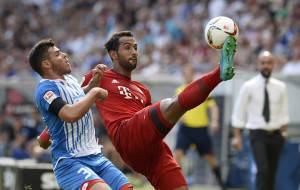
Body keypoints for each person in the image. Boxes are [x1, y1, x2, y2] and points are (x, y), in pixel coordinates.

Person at [39, 31, 237, 190]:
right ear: (113, 55)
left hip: (149, 147)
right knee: (171, 104)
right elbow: (74, 103)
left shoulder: (142, 90)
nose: (134, 51)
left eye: (135, 48)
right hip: (126, 133)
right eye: (127, 48)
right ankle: (219, 72)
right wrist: (47, 134)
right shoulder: (99, 75)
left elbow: (151, 121)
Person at [29, 39, 133, 190]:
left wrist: (92, 84)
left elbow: (76, 97)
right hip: (70, 162)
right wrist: (95, 92)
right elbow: (70, 114)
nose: (64, 55)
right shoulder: (45, 90)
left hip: (95, 156)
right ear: (46, 64)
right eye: (58, 54)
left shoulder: (69, 80)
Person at [231, 50, 289, 190]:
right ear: (258, 64)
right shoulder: (249, 86)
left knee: (271, 173)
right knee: (262, 170)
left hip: (276, 135)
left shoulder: (281, 87)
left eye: (269, 63)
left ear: (273, 64)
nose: (266, 66)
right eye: (263, 63)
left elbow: (284, 113)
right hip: (257, 134)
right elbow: (239, 112)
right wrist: (237, 137)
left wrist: (283, 133)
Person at [174, 64, 225, 189]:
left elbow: (213, 106)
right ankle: (178, 184)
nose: (186, 75)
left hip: (200, 129)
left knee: (210, 158)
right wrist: (179, 117)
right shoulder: (179, 90)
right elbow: (175, 109)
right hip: (185, 129)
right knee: (177, 156)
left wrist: (214, 121)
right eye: (184, 73)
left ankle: (223, 185)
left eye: (189, 72)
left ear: (193, 73)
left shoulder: (201, 89)